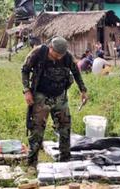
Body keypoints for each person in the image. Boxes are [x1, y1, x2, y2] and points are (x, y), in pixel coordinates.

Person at [21, 36, 88, 172]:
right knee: (37, 128)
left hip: (60, 95)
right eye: (56, 55)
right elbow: (25, 70)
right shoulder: (38, 53)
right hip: (41, 95)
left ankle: (65, 158)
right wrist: (27, 91)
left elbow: (76, 72)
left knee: (65, 126)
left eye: (60, 55)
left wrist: (83, 90)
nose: (58, 58)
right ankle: (32, 161)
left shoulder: (67, 57)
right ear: (50, 48)